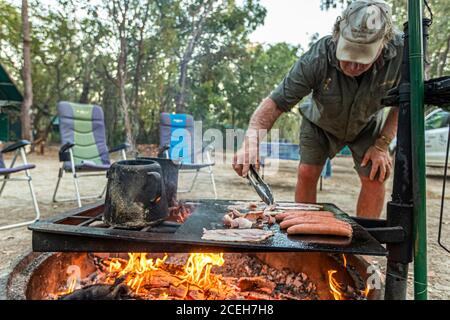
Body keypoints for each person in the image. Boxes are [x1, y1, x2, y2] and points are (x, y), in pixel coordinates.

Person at [232, 0, 402, 219]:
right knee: (307, 172)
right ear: (338, 34)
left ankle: (364, 246)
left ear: (383, 44)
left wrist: (382, 144)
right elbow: (276, 102)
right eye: (348, 54)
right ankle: (307, 240)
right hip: (320, 123)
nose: (352, 66)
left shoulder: (402, 54)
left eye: (362, 59)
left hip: (367, 124)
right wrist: (250, 142)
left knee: (375, 175)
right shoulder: (318, 57)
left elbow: (404, 103)